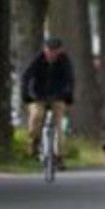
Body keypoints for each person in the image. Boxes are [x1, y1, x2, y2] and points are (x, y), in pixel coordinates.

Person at [20, 37, 74, 166]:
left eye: (55, 52)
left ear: (60, 51)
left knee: (59, 126)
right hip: (38, 96)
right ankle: (34, 144)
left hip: (57, 96)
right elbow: (26, 76)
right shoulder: (38, 60)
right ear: (44, 50)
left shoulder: (64, 61)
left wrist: (68, 95)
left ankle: (59, 157)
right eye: (49, 51)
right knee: (36, 116)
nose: (51, 55)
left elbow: (70, 79)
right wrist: (26, 95)